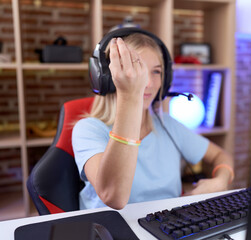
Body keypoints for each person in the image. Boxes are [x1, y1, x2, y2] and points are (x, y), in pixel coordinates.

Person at [72, 31, 234, 210]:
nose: (148, 83)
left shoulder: (169, 126)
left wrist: (221, 180)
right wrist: (130, 96)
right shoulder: (88, 129)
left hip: (167, 228)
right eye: (137, 70)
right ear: (107, 77)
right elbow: (114, 197)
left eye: (156, 71)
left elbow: (221, 155)